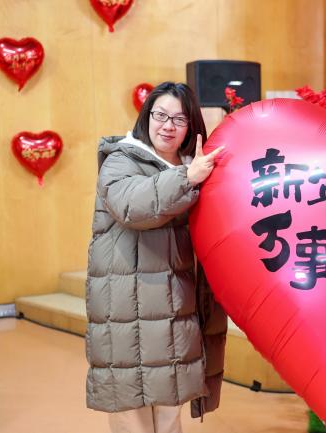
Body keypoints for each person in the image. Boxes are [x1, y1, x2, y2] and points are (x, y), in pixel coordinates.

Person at [85, 81, 227, 433]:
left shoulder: (195, 168)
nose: (168, 126)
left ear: (190, 125)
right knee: (131, 410)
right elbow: (133, 205)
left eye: (179, 119)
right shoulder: (120, 160)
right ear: (146, 116)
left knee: (169, 409)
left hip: (175, 306)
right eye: (160, 115)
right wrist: (187, 178)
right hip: (125, 309)